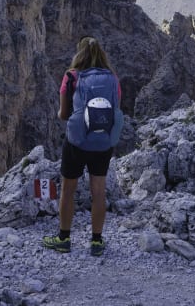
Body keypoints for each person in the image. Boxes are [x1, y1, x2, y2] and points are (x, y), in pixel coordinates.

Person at [43, 36, 123, 257]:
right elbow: (115, 107)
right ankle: (96, 242)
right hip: (103, 141)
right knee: (98, 191)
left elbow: (63, 113)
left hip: (77, 141)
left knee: (68, 190)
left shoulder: (71, 77)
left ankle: (64, 238)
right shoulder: (112, 79)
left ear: (79, 54)